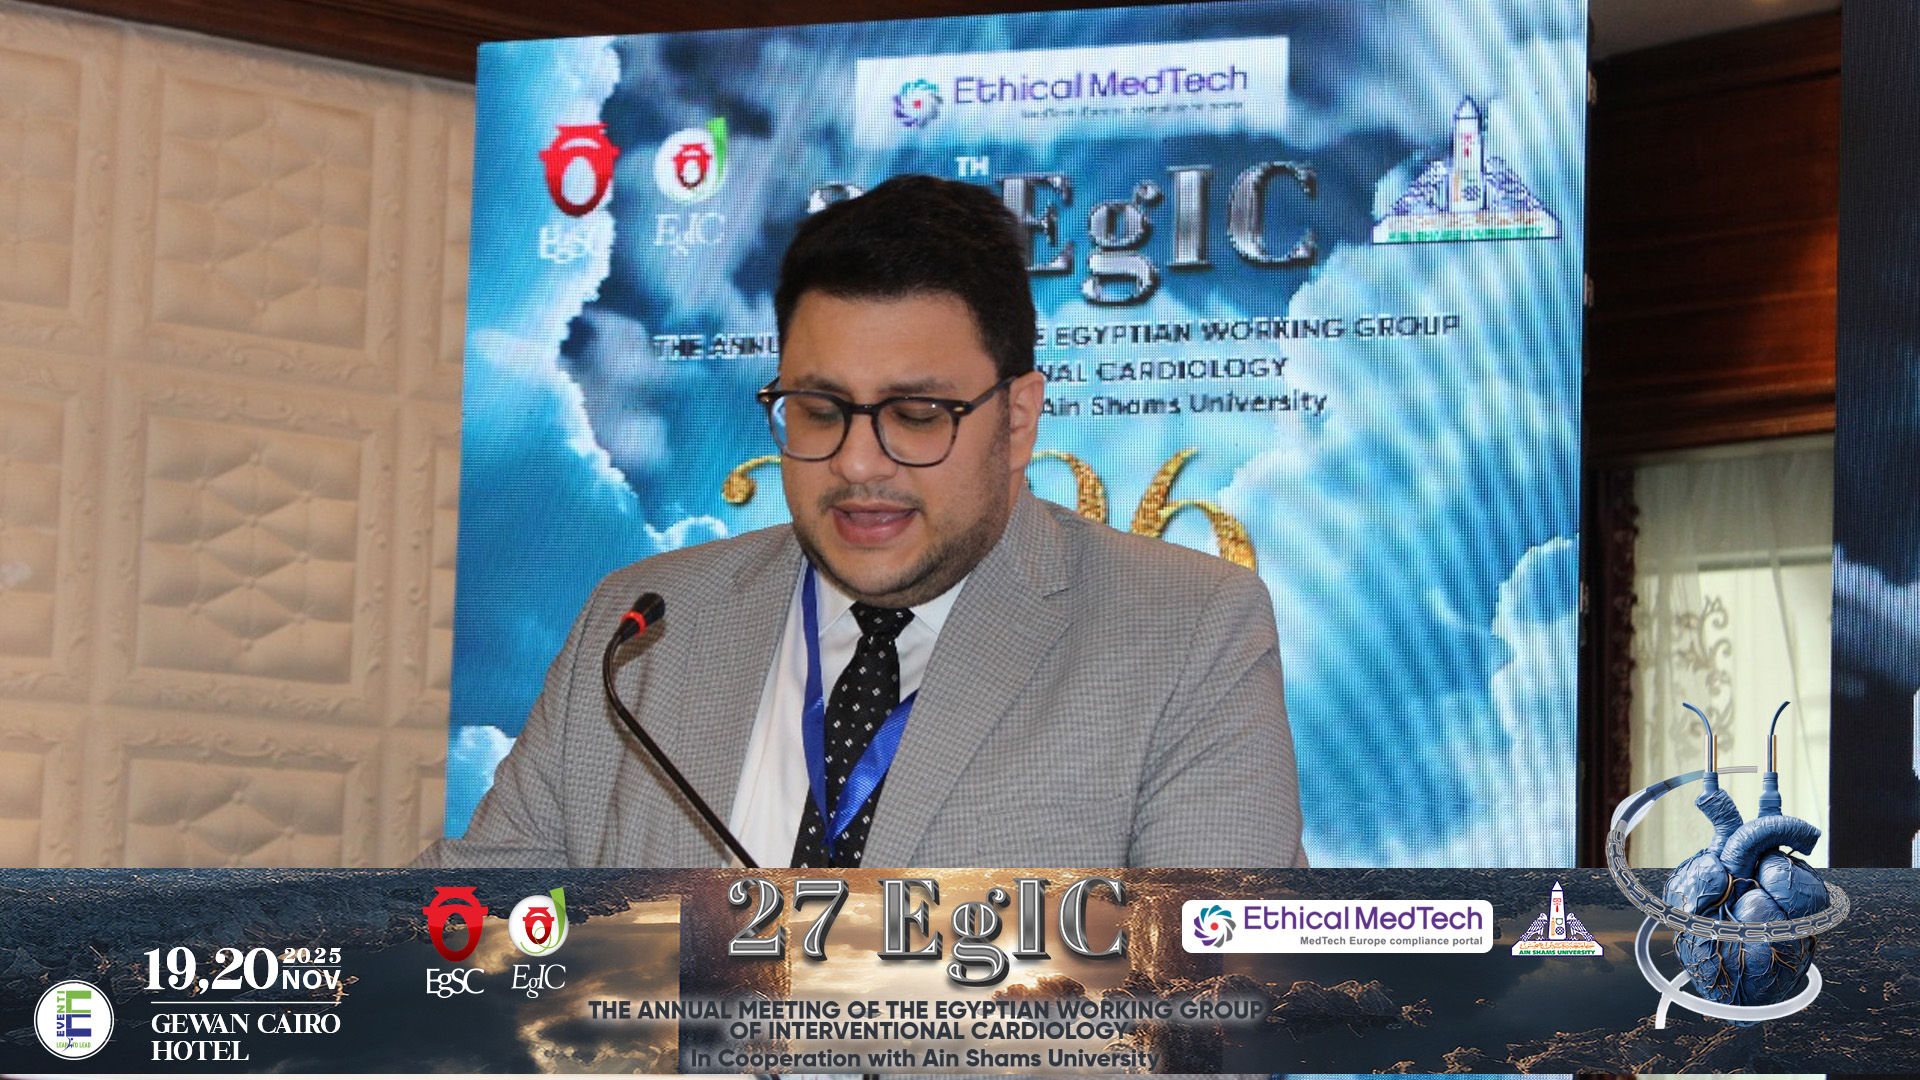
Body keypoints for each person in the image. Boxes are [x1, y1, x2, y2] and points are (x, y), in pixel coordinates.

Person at [416, 175, 1305, 869]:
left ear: (1018, 420)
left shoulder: (1186, 632)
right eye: (820, 410)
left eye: (916, 415)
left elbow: (1217, 1000)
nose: (857, 464)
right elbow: (476, 926)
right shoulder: (644, 626)